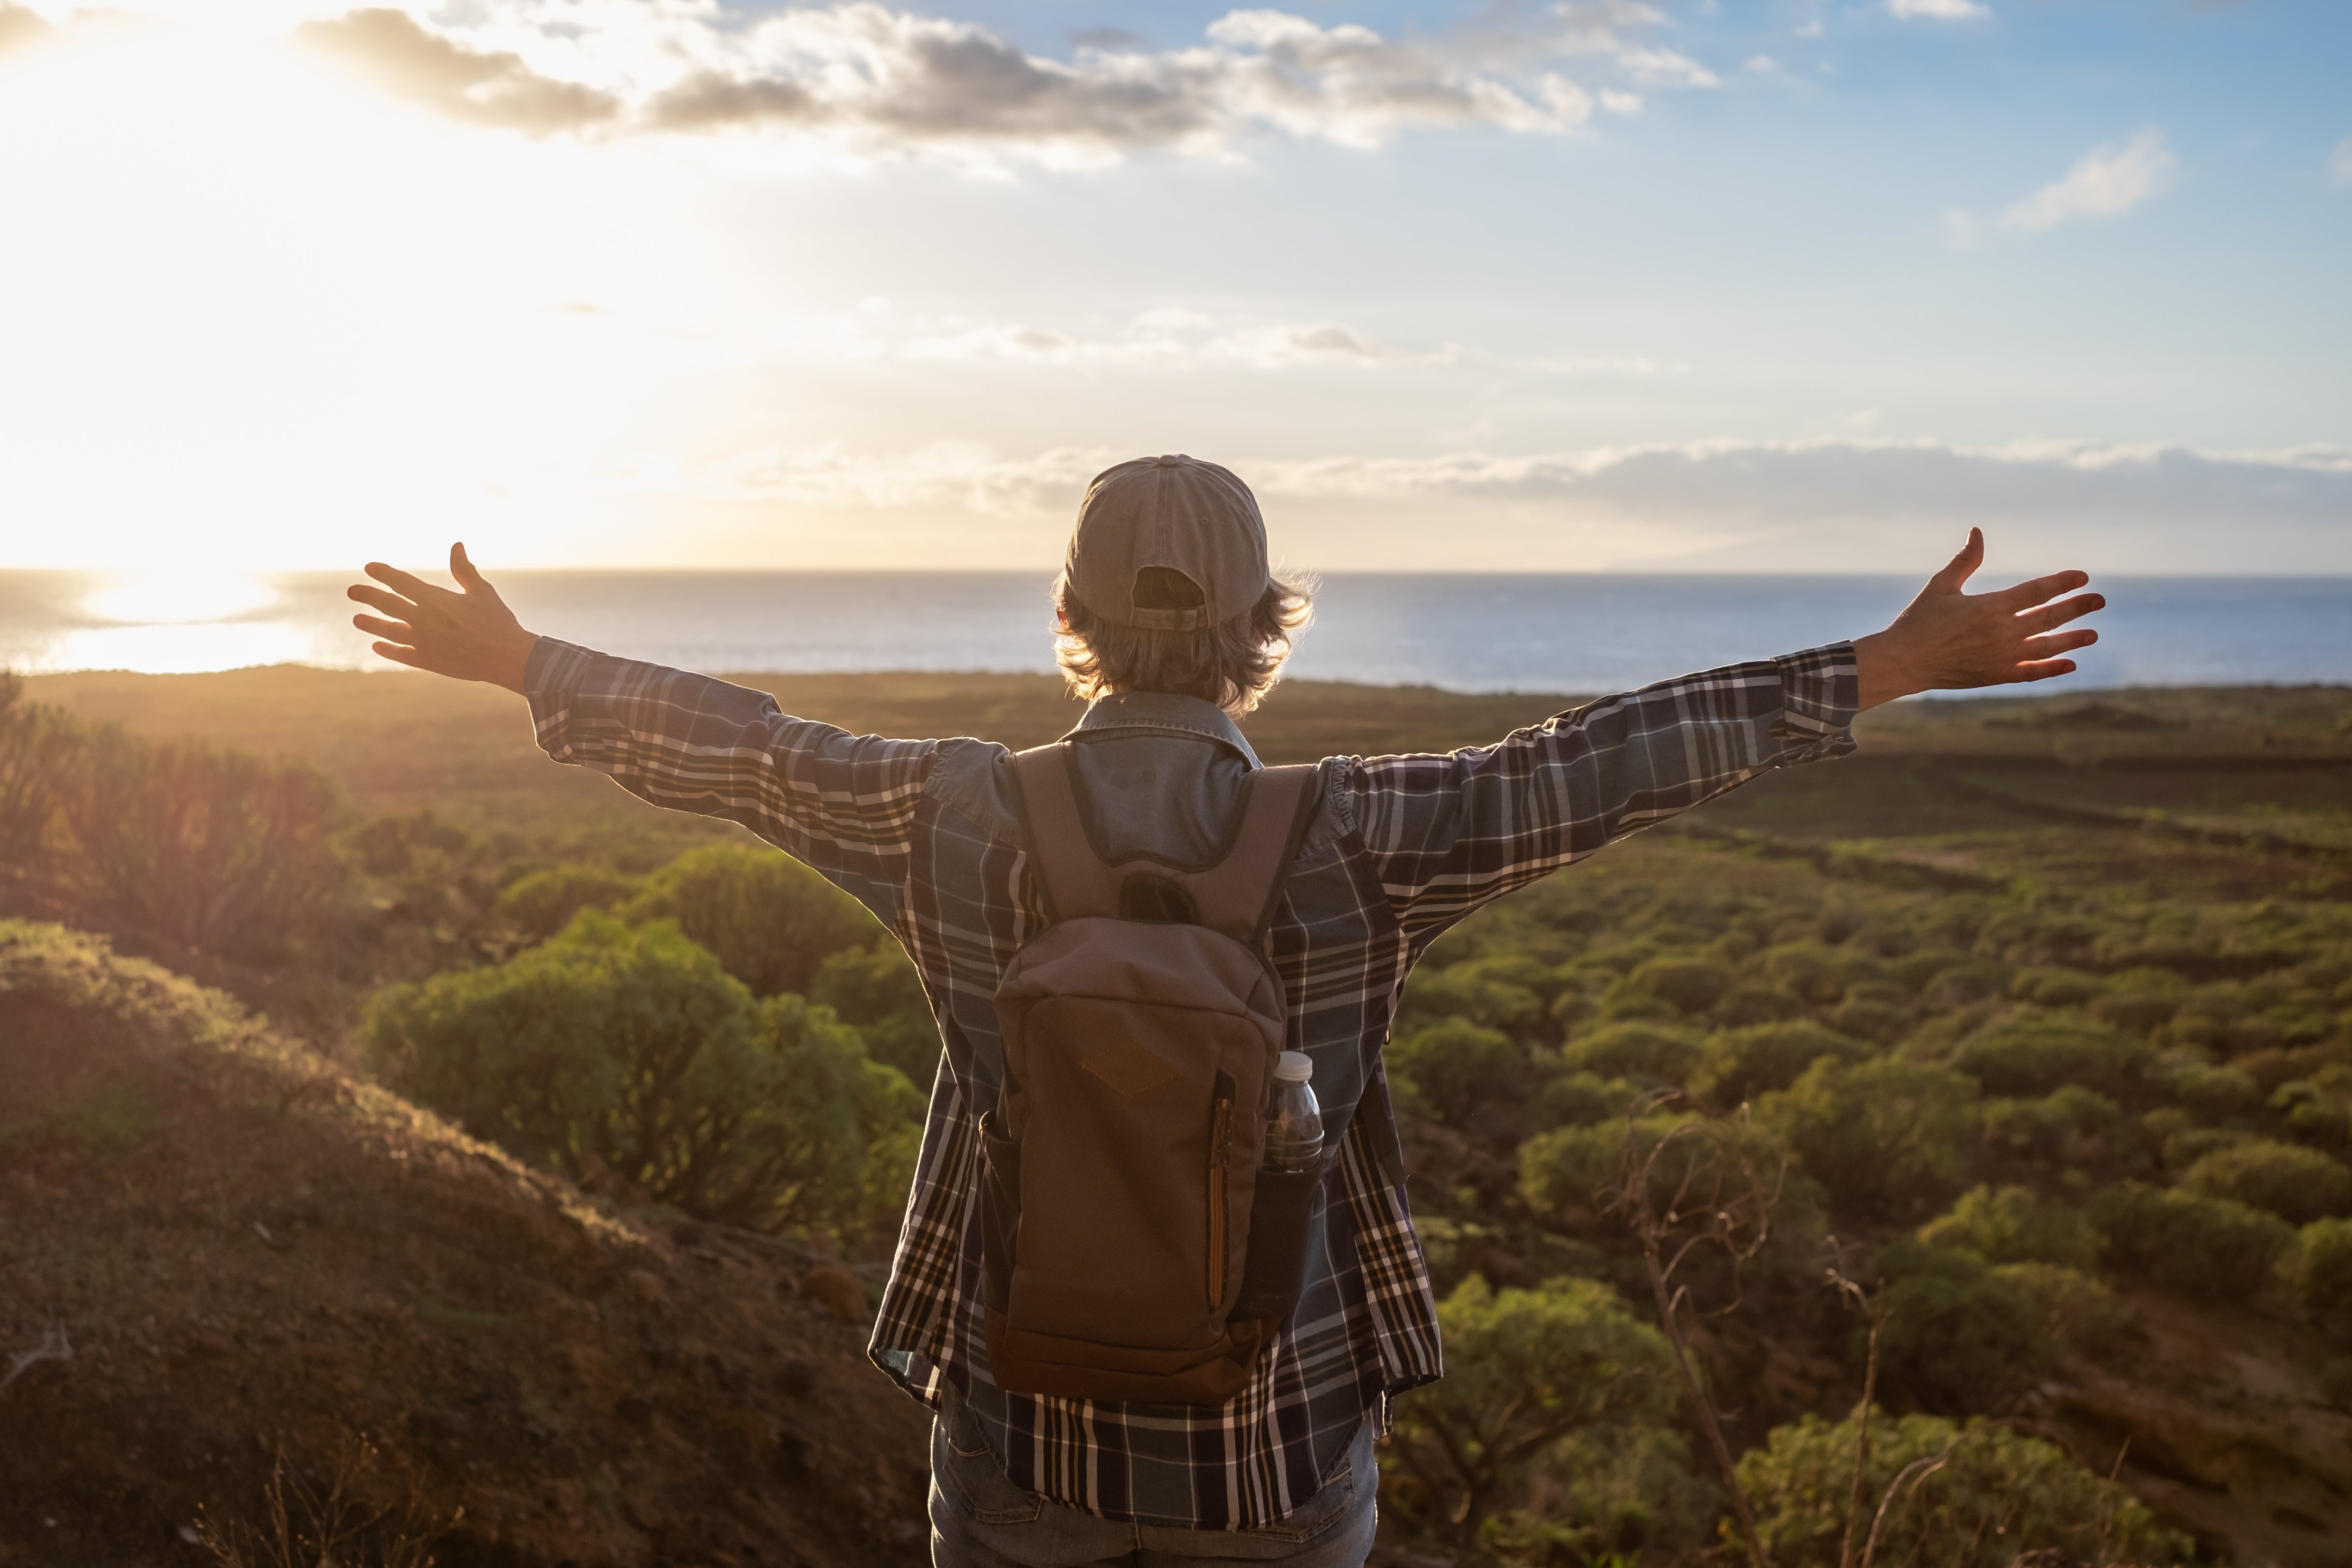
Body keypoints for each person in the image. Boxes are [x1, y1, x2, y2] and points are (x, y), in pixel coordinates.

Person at [347, 455, 2102, 1568]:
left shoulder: (951, 810)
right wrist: (1880, 667)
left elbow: (745, 749)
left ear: (1069, 621)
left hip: (1019, 1425)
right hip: (1277, 1429)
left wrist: (525, 665)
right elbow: (1602, 764)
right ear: (1266, 628)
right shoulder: (1360, 835)